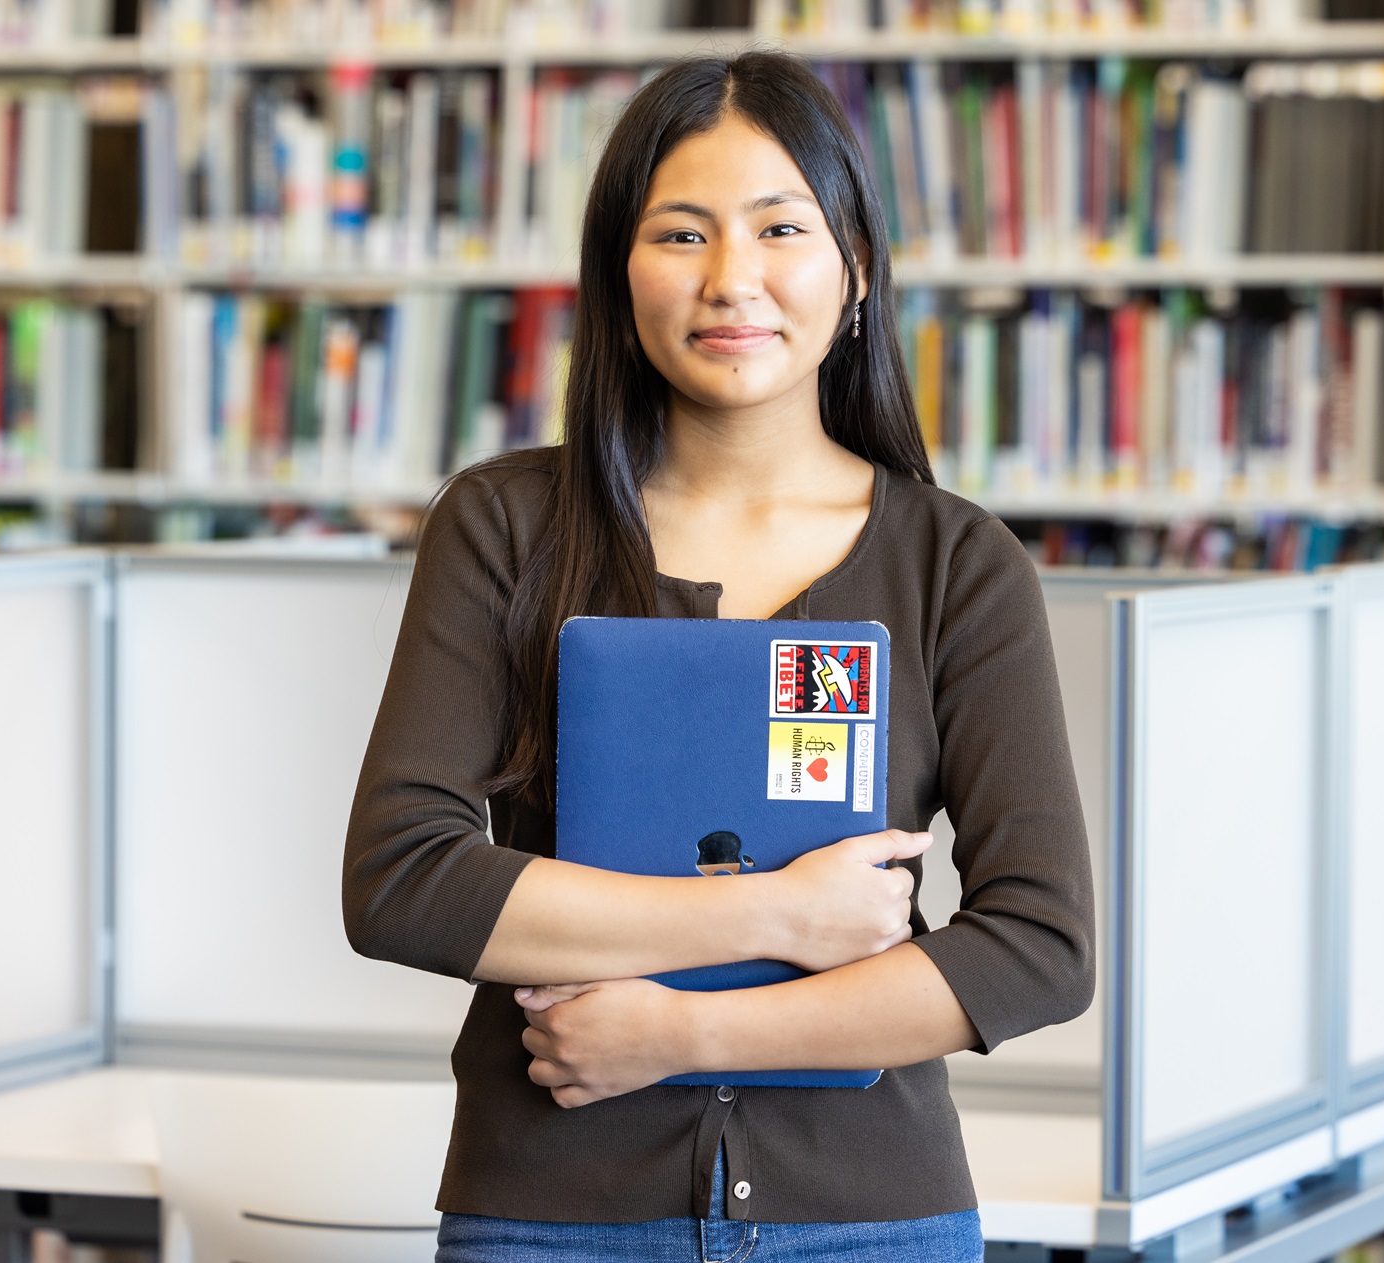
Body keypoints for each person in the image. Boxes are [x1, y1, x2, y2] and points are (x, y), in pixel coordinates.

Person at [343, 49, 1094, 1263]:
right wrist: (779, 913)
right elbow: (404, 881)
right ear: (619, 275)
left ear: (854, 270)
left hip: (866, 1224)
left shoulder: (958, 565)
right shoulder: (504, 527)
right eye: (681, 235)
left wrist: (685, 1036)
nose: (731, 280)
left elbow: (1041, 949)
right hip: (551, 1222)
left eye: (779, 228)